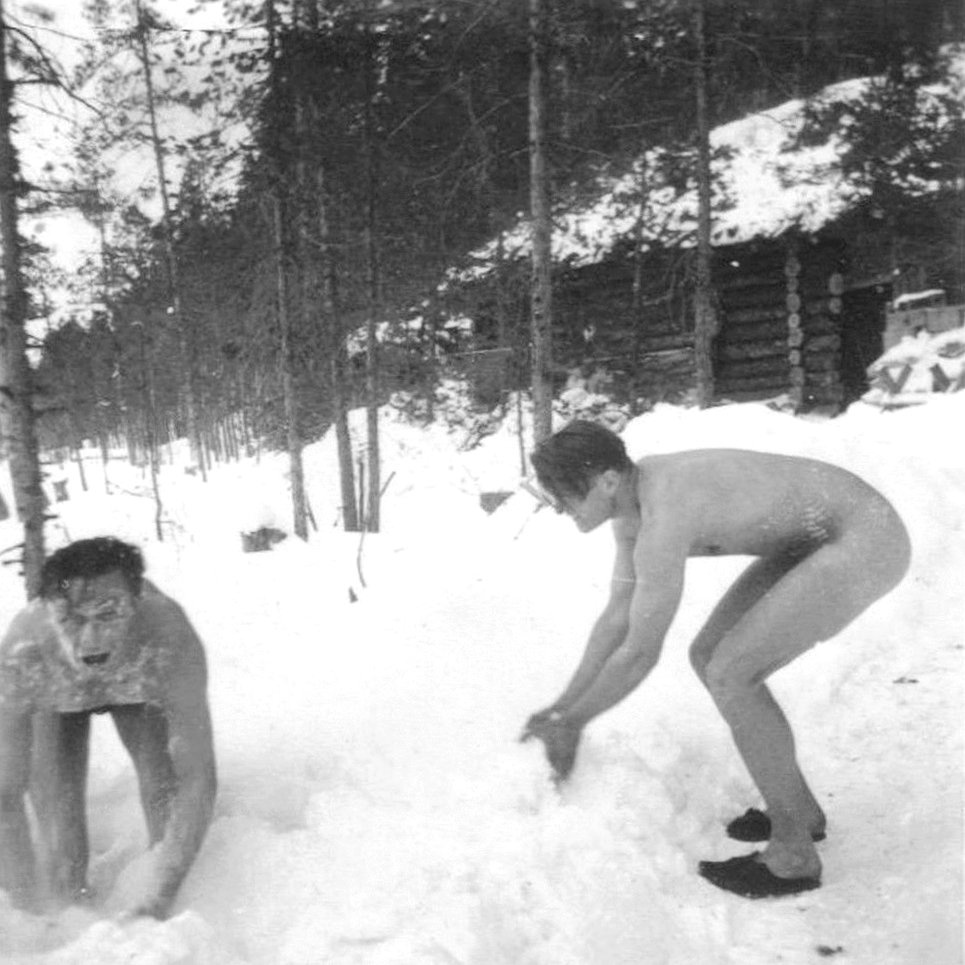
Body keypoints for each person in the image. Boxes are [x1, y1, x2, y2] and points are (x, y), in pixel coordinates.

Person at [520, 420, 910, 898]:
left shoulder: (666, 514)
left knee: (733, 673)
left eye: (564, 495)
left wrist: (574, 723)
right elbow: (619, 616)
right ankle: (800, 813)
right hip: (819, 535)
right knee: (709, 655)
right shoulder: (631, 510)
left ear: (606, 480)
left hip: (866, 537)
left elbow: (640, 653)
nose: (559, 508)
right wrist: (562, 709)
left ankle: (794, 855)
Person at [0, 537, 216, 918]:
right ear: (50, 612)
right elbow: (4, 791)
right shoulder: (26, 651)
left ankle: (157, 913)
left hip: (137, 679)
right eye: (72, 619)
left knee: (163, 790)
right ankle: (64, 913)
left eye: (108, 614)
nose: (91, 640)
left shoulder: (167, 637)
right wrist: (25, 905)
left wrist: (161, 896)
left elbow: (197, 777)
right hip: (56, 690)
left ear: (137, 601)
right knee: (60, 845)